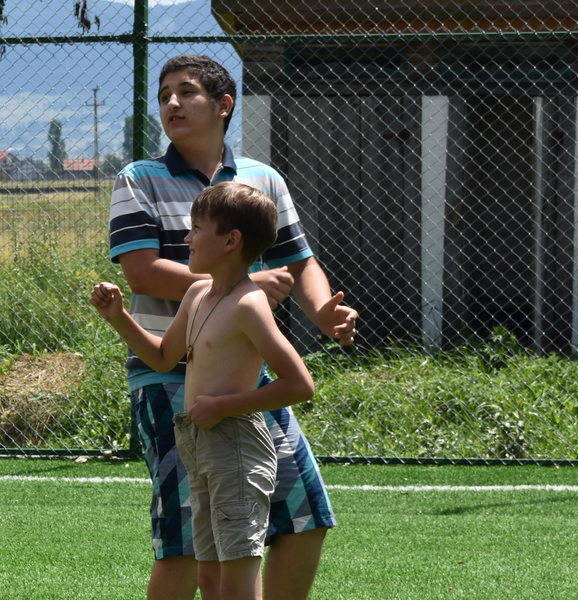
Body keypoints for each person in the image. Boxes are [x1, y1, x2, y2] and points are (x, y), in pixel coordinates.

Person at [110, 54, 358, 600]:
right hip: (169, 382)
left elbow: (298, 261)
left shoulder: (262, 179)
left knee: (304, 517)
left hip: (249, 387)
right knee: (186, 544)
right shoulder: (139, 179)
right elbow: (143, 269)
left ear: (224, 105)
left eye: (187, 92)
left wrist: (323, 312)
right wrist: (238, 288)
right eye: (165, 94)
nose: (172, 103)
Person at [95, 182, 319, 600]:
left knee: (235, 582)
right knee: (210, 580)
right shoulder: (199, 293)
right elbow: (163, 357)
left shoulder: (249, 305)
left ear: (231, 241)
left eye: (197, 229)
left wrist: (224, 406)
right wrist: (119, 317)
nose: (186, 238)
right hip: (198, 444)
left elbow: (299, 384)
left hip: (236, 447)